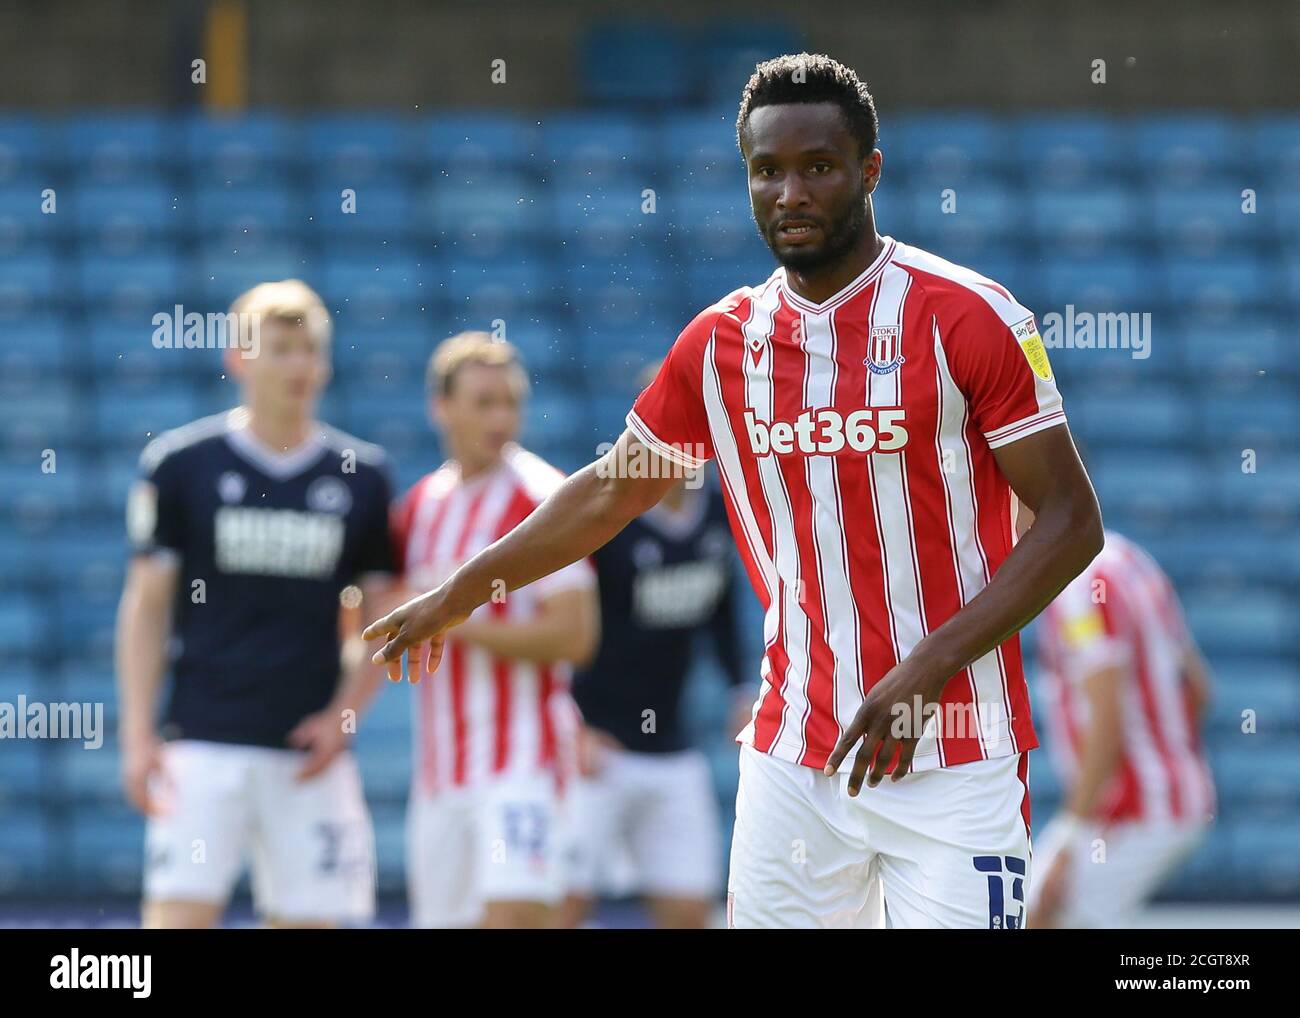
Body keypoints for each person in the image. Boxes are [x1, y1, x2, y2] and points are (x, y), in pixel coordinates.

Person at [362, 54, 1104, 929]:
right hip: (793, 758)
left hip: (956, 754)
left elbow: (1071, 522)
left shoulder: (970, 317)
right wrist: (456, 592)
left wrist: (925, 672)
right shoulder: (722, 344)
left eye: (817, 167)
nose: (790, 192)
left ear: (869, 171)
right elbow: (610, 492)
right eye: (767, 170)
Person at [116, 280, 395, 928]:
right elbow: (146, 607)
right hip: (203, 742)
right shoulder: (180, 465)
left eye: (309, 350)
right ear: (238, 359)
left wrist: (343, 716)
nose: (299, 365)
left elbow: (382, 618)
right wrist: (136, 734)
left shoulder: (363, 475)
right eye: (281, 349)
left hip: (307, 754)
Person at [392, 331, 598, 929]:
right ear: (441, 407)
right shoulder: (418, 507)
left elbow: (576, 635)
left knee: (515, 918)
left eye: (510, 402)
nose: (501, 417)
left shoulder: (543, 498)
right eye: (483, 402)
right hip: (440, 770)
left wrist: (451, 616)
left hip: (521, 761)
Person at [563, 370, 751, 926]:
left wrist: (740, 687)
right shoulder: (613, 517)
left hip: (673, 742)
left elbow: (720, 614)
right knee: (565, 904)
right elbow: (570, 625)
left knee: (688, 908)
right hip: (596, 743)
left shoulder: (719, 513)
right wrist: (569, 721)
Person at [1028, 529, 1215, 928]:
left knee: (1036, 912)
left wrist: (1073, 835)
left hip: (1133, 811)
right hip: (1172, 798)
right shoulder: (1133, 561)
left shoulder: (1077, 583)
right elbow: (1199, 688)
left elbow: (1106, 717)